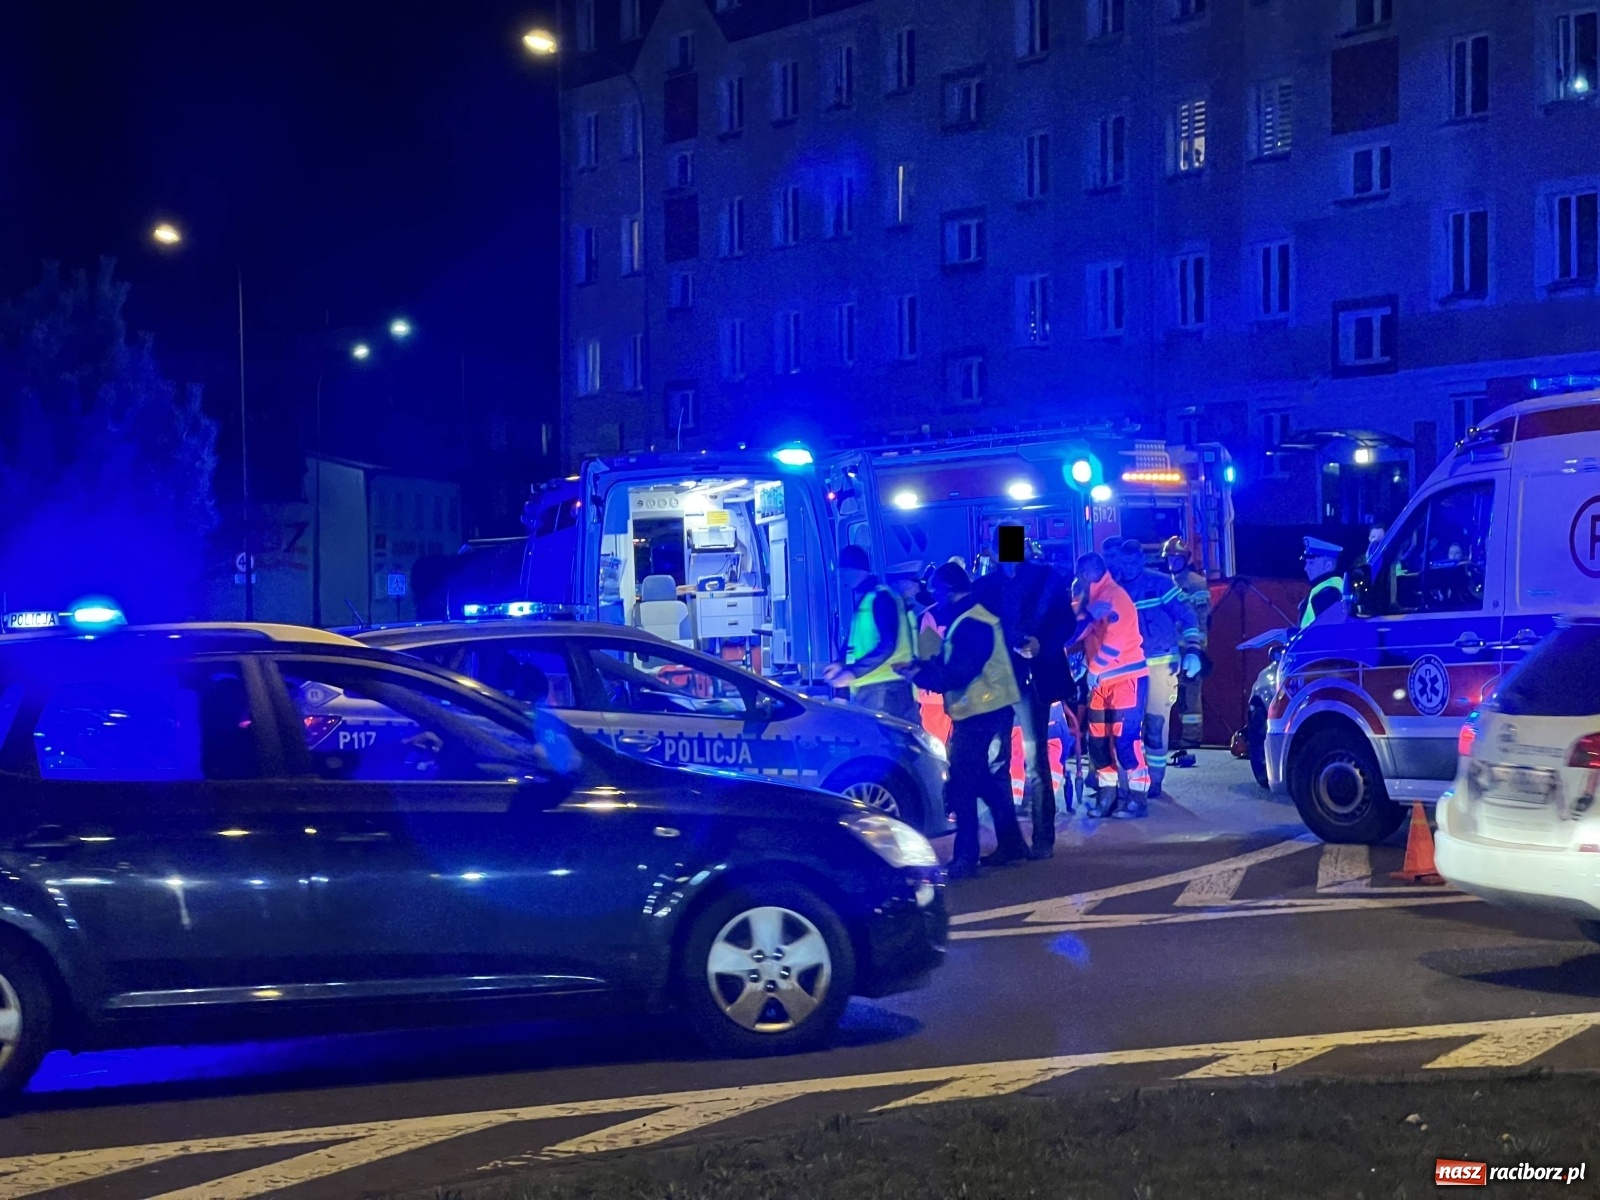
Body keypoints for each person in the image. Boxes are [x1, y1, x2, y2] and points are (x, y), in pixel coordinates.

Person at [899, 563, 1031, 878]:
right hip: (983, 711)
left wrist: (922, 674)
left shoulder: (972, 623)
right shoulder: (970, 618)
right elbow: (954, 663)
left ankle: (966, 858)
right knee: (982, 781)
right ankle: (1012, 845)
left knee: (962, 784)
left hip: (981, 712)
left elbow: (960, 671)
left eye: (937, 591)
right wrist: (921, 666)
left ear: (947, 589)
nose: (935, 598)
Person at [974, 531, 1073, 857]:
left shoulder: (1046, 578)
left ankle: (1043, 840)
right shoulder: (985, 585)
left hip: (1032, 679)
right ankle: (1009, 843)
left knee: (1035, 761)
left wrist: (1041, 644)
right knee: (997, 761)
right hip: (998, 681)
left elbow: (1065, 623)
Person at [1112, 538, 1201, 799]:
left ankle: (1155, 780)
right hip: (1128, 667)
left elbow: (1187, 615)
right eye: (1124, 562)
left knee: (1155, 724)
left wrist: (1194, 649)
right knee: (1127, 726)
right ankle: (1130, 780)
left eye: (1133, 562)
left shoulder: (1160, 583)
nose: (1128, 567)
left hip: (1161, 663)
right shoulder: (1116, 589)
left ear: (1141, 559)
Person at [1071, 552, 1151, 819]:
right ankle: (1108, 797)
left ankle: (1138, 799)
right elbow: (1078, 634)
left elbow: (1115, 641)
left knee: (1126, 741)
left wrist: (1093, 669)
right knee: (1098, 742)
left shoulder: (1115, 598)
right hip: (1102, 683)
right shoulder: (1094, 600)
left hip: (1125, 680)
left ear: (1084, 574)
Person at [824, 544, 918, 722]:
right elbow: (856, 643)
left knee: (879, 745)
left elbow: (887, 644)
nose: (842, 577)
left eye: (843, 571)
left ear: (852, 570)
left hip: (882, 689)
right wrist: (840, 663)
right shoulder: (871, 598)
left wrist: (853, 673)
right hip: (883, 686)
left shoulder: (879, 598)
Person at [1161, 536, 1212, 767]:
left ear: (1185, 559)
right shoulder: (1164, 583)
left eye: (1177, 558)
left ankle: (1192, 737)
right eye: (1170, 557)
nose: (1173, 561)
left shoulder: (1196, 583)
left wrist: (1198, 649)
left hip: (1190, 649)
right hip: (1170, 650)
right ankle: (1171, 736)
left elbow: (1202, 618)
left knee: (1190, 694)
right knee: (1172, 695)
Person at [1300, 535, 1345, 629]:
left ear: (1328, 566)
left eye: (1311, 563)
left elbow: (1325, 634)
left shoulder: (1328, 594)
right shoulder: (1325, 589)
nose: (1306, 568)